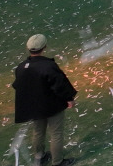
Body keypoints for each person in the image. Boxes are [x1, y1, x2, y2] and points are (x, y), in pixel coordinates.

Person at [12, 34, 77, 166]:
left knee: (38, 132)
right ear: (44, 47)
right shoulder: (48, 65)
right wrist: (69, 99)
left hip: (34, 107)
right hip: (52, 106)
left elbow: (17, 85)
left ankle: (39, 156)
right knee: (56, 133)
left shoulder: (21, 67)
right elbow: (60, 84)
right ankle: (57, 161)